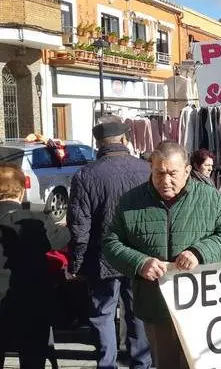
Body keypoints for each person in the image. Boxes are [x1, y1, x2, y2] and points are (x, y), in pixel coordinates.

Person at [103, 142, 221, 369]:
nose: (165, 181)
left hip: (200, 304)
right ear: (151, 169)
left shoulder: (211, 198)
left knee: (198, 364)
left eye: (173, 173)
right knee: (165, 364)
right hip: (155, 304)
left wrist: (200, 252)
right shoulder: (131, 201)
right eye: (159, 173)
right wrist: (140, 262)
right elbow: (111, 243)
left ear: (187, 170)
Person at [67, 121, 152, 369]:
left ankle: (106, 364)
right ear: (124, 141)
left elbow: (78, 226)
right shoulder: (145, 169)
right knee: (138, 313)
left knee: (103, 314)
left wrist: (76, 263)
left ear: (98, 144)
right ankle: (142, 364)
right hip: (140, 256)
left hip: (102, 257)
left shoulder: (85, 174)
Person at [0, 163, 69, 368]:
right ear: (21, 191)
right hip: (33, 303)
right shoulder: (37, 220)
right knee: (33, 360)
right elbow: (63, 238)